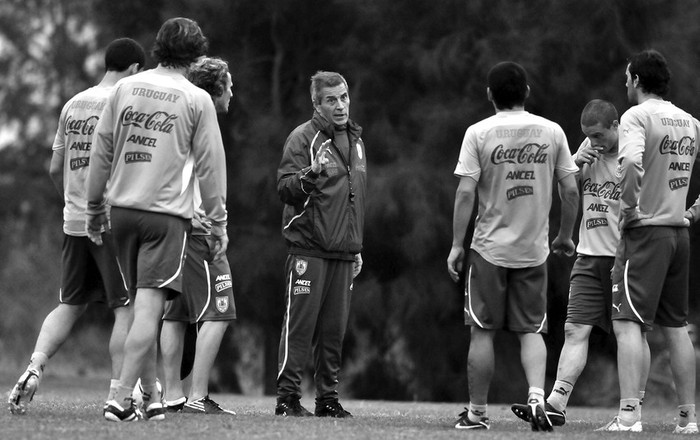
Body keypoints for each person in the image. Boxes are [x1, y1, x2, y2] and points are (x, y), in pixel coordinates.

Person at [85, 17, 228, 422]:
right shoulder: (196, 99)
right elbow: (210, 168)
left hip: (122, 212)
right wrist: (217, 223)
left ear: (157, 48)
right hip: (165, 219)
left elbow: (101, 151)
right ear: (197, 54)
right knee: (149, 310)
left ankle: (149, 397)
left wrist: (94, 208)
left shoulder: (126, 88)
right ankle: (118, 398)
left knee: (135, 309)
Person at [7, 38, 145, 415]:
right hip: (109, 220)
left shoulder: (73, 104)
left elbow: (56, 167)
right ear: (134, 68)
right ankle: (120, 394)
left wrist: (71, 199)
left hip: (73, 220)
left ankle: (34, 366)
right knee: (126, 307)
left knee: (70, 303)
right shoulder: (124, 103)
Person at [447, 61, 579, 431]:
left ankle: (477, 413)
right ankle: (537, 397)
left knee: (482, 330)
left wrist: (457, 245)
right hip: (534, 250)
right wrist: (565, 235)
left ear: (490, 94)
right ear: (527, 92)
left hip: (488, 249)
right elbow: (569, 188)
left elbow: (465, 192)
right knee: (532, 330)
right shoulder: (552, 131)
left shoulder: (478, 132)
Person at [510, 99, 650, 428]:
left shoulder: (635, 153)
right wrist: (575, 161)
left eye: (599, 136)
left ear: (616, 127)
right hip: (588, 255)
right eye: (588, 136)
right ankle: (557, 402)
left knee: (631, 331)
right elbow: (569, 189)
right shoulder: (588, 148)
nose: (594, 142)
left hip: (626, 255)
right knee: (574, 328)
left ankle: (633, 407)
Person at [598, 49, 698, 434]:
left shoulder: (636, 116)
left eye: (627, 78)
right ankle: (689, 420)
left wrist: (628, 209)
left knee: (626, 323)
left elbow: (631, 163)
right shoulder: (690, 121)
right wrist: (693, 211)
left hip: (646, 232)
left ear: (637, 80)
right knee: (676, 328)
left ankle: (628, 417)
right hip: (679, 232)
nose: (625, 83)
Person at [275, 71, 366, 418]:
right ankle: (287, 398)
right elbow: (283, 188)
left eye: (343, 97)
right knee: (299, 328)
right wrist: (307, 176)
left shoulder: (356, 140)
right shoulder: (302, 138)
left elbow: (354, 199)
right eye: (331, 99)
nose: (340, 105)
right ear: (316, 103)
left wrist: (356, 246)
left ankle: (327, 399)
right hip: (308, 248)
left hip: (343, 252)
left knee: (333, 333)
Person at [159, 56, 236, 415]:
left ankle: (172, 395)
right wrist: (202, 217)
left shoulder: (180, 119)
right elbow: (200, 172)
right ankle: (197, 397)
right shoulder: (201, 120)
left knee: (175, 315)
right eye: (229, 85)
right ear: (215, 89)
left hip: (175, 226)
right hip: (198, 231)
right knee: (219, 313)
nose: (232, 92)